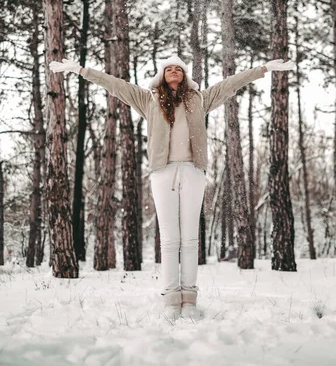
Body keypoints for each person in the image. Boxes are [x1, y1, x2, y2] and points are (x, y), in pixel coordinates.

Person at [49, 55, 295, 319]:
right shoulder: (149, 99)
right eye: (169, 69)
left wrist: (264, 68)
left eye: (179, 69)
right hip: (162, 172)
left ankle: (189, 298)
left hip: (193, 170)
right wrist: (81, 70)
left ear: (185, 75)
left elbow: (230, 84)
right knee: (169, 239)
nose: (174, 71)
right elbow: (115, 85)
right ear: (162, 74)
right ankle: (170, 300)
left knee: (189, 239)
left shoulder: (199, 98)